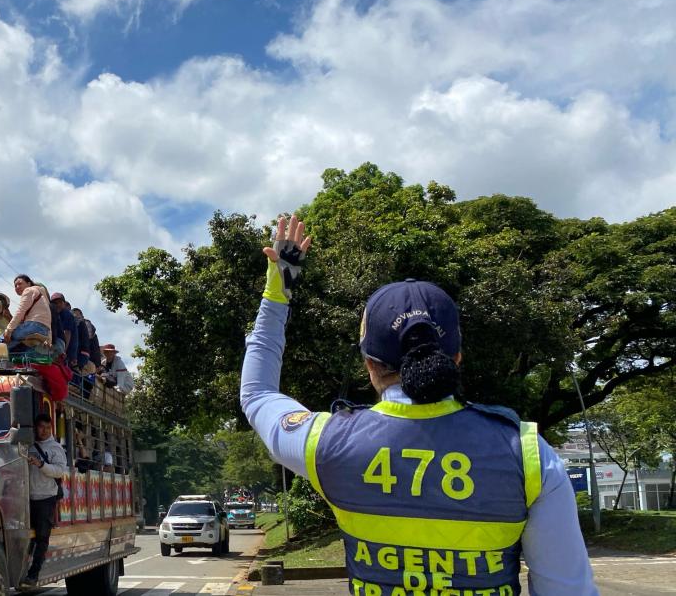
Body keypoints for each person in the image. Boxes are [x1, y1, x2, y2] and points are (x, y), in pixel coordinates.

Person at [240, 214, 597, 596]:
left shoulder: (326, 444)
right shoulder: (528, 455)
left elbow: (257, 393)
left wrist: (278, 293)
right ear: (457, 356)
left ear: (369, 363)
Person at [25, 413, 66, 586]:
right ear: (35, 428)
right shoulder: (26, 445)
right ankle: (22, 569)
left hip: (46, 497)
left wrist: (41, 465)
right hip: (26, 497)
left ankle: (33, 574)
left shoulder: (55, 448)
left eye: (47, 428)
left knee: (42, 538)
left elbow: (59, 471)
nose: (44, 431)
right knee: (25, 536)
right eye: (41, 427)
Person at [3, 274, 51, 349]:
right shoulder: (43, 296)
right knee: (15, 346)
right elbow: (49, 319)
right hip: (44, 330)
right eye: (15, 286)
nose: (17, 287)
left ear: (29, 284)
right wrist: (49, 338)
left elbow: (20, 310)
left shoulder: (28, 290)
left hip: (32, 325)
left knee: (1, 340)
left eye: (20, 283)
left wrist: (8, 330)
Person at [50, 292, 80, 368]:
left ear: (64, 303)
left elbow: (67, 333)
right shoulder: (56, 314)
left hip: (68, 351)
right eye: (55, 303)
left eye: (60, 302)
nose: (57, 305)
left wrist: (63, 352)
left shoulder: (67, 314)